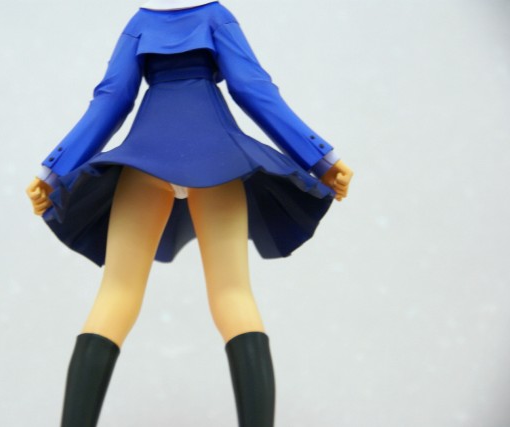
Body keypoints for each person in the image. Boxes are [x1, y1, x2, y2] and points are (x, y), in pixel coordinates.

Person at [26, 1, 353, 426]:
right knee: (233, 293)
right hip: (216, 159)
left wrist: (53, 170)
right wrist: (321, 157)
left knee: (116, 294)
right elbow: (252, 88)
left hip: (144, 159)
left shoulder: (141, 22)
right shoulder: (215, 16)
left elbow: (111, 99)